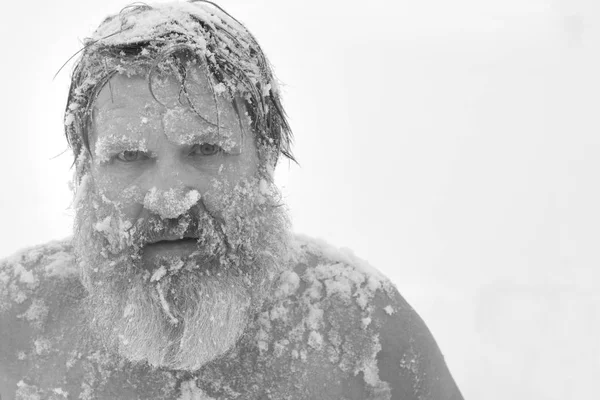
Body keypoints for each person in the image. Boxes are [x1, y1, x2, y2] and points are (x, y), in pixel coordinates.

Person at [0, 1, 464, 399]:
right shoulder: (13, 320)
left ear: (263, 159)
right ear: (85, 173)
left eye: (205, 149)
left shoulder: (359, 326)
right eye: (128, 157)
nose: (168, 199)